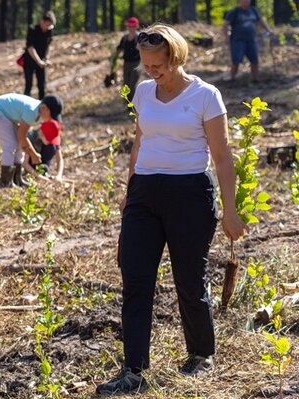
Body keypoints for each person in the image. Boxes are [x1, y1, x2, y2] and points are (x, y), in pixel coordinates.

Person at [96, 24, 246, 395]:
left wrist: (230, 211)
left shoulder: (205, 96)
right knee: (135, 279)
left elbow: (223, 158)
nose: (152, 72)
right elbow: (140, 141)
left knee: (188, 280)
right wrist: (130, 188)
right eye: (146, 65)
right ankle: (133, 369)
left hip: (190, 193)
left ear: (176, 58)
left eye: (158, 65)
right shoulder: (144, 92)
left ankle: (200, 355)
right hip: (145, 192)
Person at [0, 93, 63, 187]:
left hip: (9, 116)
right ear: (44, 108)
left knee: (18, 144)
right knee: (10, 144)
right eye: (51, 115)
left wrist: (32, 153)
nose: (51, 119)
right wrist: (33, 154)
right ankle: (6, 181)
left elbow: (22, 137)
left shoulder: (39, 114)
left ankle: (17, 179)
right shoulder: (32, 111)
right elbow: (22, 135)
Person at [222, 0, 273, 81]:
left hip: (251, 40)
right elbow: (225, 25)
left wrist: (268, 30)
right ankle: (232, 78)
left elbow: (261, 21)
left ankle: (255, 78)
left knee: (255, 59)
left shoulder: (253, 10)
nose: (246, 1)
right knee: (236, 61)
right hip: (237, 41)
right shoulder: (234, 11)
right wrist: (226, 38)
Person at [23, 10, 56, 99]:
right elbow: (30, 47)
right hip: (30, 61)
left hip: (41, 62)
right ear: (42, 21)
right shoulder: (32, 29)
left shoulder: (49, 31)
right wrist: (38, 61)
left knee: (42, 86)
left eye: (50, 25)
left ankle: (42, 107)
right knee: (28, 85)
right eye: (47, 24)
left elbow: (48, 46)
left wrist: (46, 58)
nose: (47, 27)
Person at [110, 16, 142, 100]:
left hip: (136, 64)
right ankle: (128, 105)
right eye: (129, 26)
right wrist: (113, 60)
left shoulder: (140, 38)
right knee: (126, 85)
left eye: (133, 26)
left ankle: (134, 105)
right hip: (126, 64)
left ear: (137, 26)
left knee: (132, 85)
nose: (131, 28)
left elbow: (145, 51)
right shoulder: (124, 38)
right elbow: (119, 49)